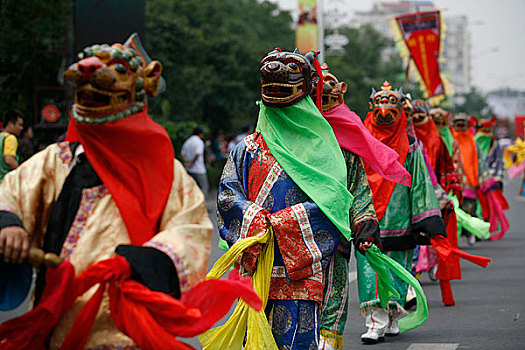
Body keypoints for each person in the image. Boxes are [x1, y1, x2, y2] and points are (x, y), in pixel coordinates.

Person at [0, 34, 217, 349]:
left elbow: (191, 228)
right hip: (58, 320)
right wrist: (10, 225)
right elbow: (11, 193)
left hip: (127, 331)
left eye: (114, 69)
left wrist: (138, 261)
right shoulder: (56, 160)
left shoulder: (164, 169)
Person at [213, 49, 353, 349]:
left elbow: (335, 201)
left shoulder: (323, 147)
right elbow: (227, 194)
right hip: (257, 265)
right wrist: (255, 222)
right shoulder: (246, 147)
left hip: (299, 270)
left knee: (298, 341)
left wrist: (281, 224)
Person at [313, 64, 411, 349]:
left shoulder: (353, 134)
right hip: (292, 226)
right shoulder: (278, 138)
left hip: (381, 214)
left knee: (390, 265)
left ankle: (381, 319)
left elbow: (357, 184)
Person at [359, 82, 446, 344]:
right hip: (367, 217)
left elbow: (420, 182)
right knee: (369, 272)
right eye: (380, 106)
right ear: (372, 108)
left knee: (398, 271)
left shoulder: (410, 144)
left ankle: (393, 316)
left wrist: (426, 220)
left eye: (391, 106)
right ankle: (375, 322)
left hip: (400, 219)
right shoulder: (360, 141)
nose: (385, 112)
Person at [181, 126, 209, 198]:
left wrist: (186, 163)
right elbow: (198, 154)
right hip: (199, 169)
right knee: (204, 187)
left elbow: (182, 154)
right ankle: (202, 205)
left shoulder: (187, 141)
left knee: (191, 188)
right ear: (200, 134)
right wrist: (191, 162)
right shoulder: (199, 142)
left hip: (189, 170)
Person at [0, 109, 24, 181]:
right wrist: (22, 173)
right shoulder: (10, 138)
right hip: (5, 184)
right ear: (10, 124)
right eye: (19, 125)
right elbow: (9, 160)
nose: (21, 128)